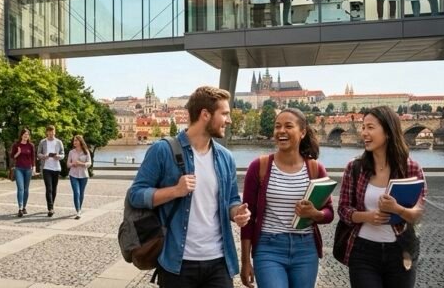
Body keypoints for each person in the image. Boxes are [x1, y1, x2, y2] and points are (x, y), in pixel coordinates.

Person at [129, 86, 250, 287]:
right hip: (177, 262)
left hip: (219, 261)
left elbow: (231, 200)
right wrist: (175, 191)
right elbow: (136, 194)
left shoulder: (226, 157)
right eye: (225, 114)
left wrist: (236, 212)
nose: (229, 120)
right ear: (205, 114)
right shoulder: (162, 150)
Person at [240, 108, 333, 288]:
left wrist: (315, 213)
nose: (281, 131)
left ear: (303, 132)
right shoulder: (259, 166)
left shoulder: (315, 169)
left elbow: (329, 213)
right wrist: (245, 261)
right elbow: (248, 218)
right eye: (277, 126)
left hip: (305, 249)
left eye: (288, 126)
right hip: (268, 247)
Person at [337, 106, 426, 288]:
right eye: (363, 127)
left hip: (401, 252)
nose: (364, 133)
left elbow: (418, 214)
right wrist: (366, 217)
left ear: (388, 131)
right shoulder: (355, 167)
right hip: (363, 251)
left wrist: (397, 209)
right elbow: (343, 209)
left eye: (370, 127)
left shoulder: (411, 168)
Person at [37, 124, 66, 217]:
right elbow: (38, 154)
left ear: (54, 132)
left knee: (54, 189)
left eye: (52, 132)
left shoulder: (59, 142)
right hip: (46, 168)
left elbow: (63, 154)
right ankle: (50, 208)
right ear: (47, 132)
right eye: (49, 133)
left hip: (56, 168)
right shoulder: (42, 142)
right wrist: (43, 156)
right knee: (48, 188)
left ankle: (51, 205)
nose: (51, 134)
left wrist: (58, 156)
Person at [10, 128, 35, 218]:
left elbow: (33, 158)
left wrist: (34, 168)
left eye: (27, 134)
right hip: (19, 169)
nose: (26, 135)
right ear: (21, 135)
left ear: (29, 136)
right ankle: (20, 208)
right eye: (24, 134)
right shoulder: (16, 145)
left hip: (28, 169)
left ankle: (24, 206)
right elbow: (12, 156)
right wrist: (18, 152)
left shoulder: (31, 146)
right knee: (20, 188)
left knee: (26, 189)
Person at [67, 135, 92, 219]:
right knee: (76, 192)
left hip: (84, 175)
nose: (74, 142)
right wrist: (73, 164)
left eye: (76, 141)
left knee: (81, 193)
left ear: (80, 142)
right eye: (74, 141)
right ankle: (78, 211)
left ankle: (79, 209)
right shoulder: (71, 152)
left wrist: (81, 164)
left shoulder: (86, 152)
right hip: (73, 174)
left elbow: (89, 163)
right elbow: (68, 164)